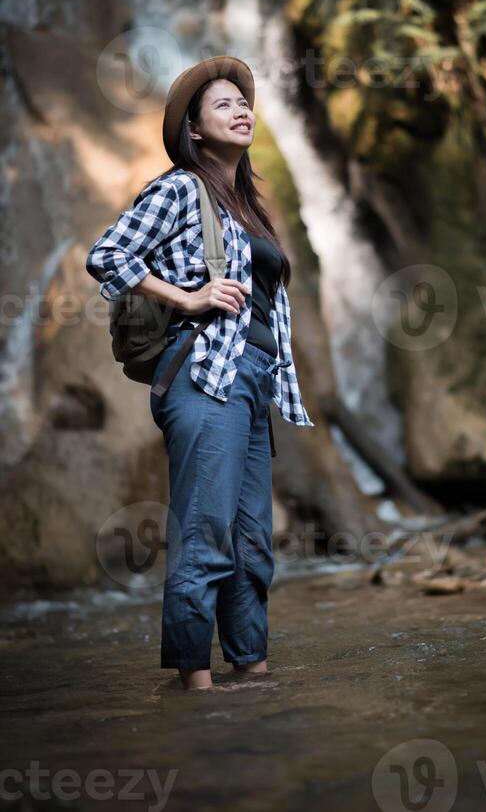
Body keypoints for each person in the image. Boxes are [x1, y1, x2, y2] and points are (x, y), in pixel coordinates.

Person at [86, 55, 314, 691]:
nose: (242, 110)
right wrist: (185, 298)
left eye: (244, 102)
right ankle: (194, 684)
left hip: (253, 381)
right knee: (208, 535)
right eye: (222, 104)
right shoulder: (182, 188)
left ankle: (253, 672)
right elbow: (106, 254)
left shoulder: (245, 204)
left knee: (251, 546)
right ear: (193, 129)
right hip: (205, 376)